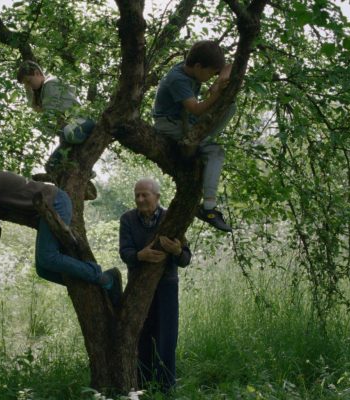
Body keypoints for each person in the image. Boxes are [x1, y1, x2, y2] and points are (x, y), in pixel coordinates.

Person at [0, 165, 121, 304]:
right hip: (43, 212)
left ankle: (103, 277)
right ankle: (92, 284)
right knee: (43, 270)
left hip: (54, 201)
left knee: (48, 257)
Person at [152, 40, 236, 232]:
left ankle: (204, 142)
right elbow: (196, 109)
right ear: (198, 66)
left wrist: (218, 81)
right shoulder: (177, 79)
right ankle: (209, 207)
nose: (213, 76)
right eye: (211, 73)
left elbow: (231, 67)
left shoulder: (192, 69)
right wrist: (215, 93)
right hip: (169, 124)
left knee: (230, 107)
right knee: (215, 152)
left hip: (185, 122)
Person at [119, 178, 191, 392]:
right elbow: (125, 252)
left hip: (166, 286)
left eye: (145, 195)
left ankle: (166, 388)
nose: (140, 199)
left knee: (166, 336)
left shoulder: (172, 219)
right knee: (141, 335)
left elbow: (186, 259)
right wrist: (140, 255)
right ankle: (142, 385)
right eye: (137, 195)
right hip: (138, 286)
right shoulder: (128, 219)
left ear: (157, 197)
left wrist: (177, 251)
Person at [16, 60, 96, 173]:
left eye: (29, 81)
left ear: (37, 73)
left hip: (82, 123)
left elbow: (49, 115)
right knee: (51, 166)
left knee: (69, 133)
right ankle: (85, 170)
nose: (29, 86)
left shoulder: (50, 83)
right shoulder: (42, 92)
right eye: (26, 85)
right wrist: (29, 92)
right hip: (69, 133)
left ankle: (88, 146)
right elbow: (37, 108)